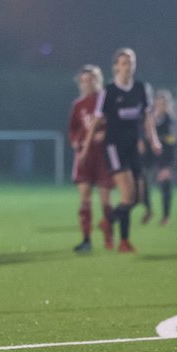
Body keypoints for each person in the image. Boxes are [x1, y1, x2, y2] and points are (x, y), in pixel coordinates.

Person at [89, 48, 159, 253]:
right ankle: (120, 236)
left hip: (133, 147)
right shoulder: (108, 91)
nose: (129, 66)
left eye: (132, 62)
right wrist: (87, 144)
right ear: (116, 67)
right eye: (125, 62)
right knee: (128, 195)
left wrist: (153, 140)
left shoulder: (141, 88)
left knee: (135, 198)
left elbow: (147, 117)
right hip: (114, 147)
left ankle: (114, 227)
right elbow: (97, 120)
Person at [68, 65, 115, 251]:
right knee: (85, 200)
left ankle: (109, 238)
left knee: (105, 201)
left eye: (92, 80)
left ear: (99, 80)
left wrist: (105, 135)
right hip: (85, 156)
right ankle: (86, 240)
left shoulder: (107, 101)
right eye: (84, 81)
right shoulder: (78, 105)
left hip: (103, 156)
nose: (88, 84)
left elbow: (116, 125)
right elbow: (72, 129)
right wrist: (75, 143)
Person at [141, 88, 177, 226]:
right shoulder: (148, 119)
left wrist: (167, 165)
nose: (160, 106)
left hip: (164, 156)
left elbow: (171, 141)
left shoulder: (169, 120)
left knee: (165, 184)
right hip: (149, 156)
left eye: (163, 103)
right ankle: (148, 209)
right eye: (158, 103)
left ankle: (165, 216)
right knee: (143, 182)